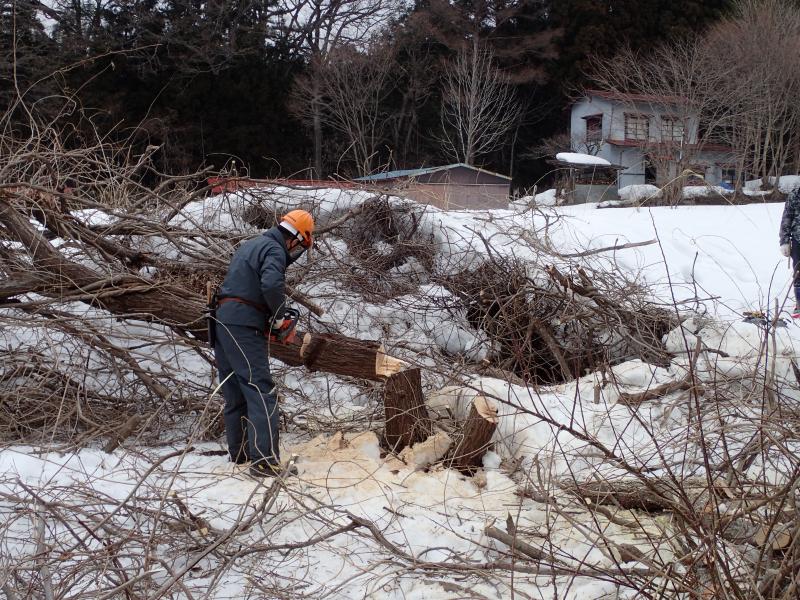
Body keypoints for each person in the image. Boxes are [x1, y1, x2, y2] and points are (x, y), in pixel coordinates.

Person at [213, 209, 314, 477]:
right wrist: (279, 317)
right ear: (296, 239)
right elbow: (270, 285)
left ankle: (241, 453)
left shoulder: (252, 244)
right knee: (261, 390)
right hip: (243, 324)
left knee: (235, 389)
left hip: (222, 321)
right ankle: (264, 462)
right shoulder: (275, 249)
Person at [780, 188, 800, 314]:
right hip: (798, 240)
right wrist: (785, 241)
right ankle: (799, 303)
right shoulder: (795, 194)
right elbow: (787, 217)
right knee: (799, 272)